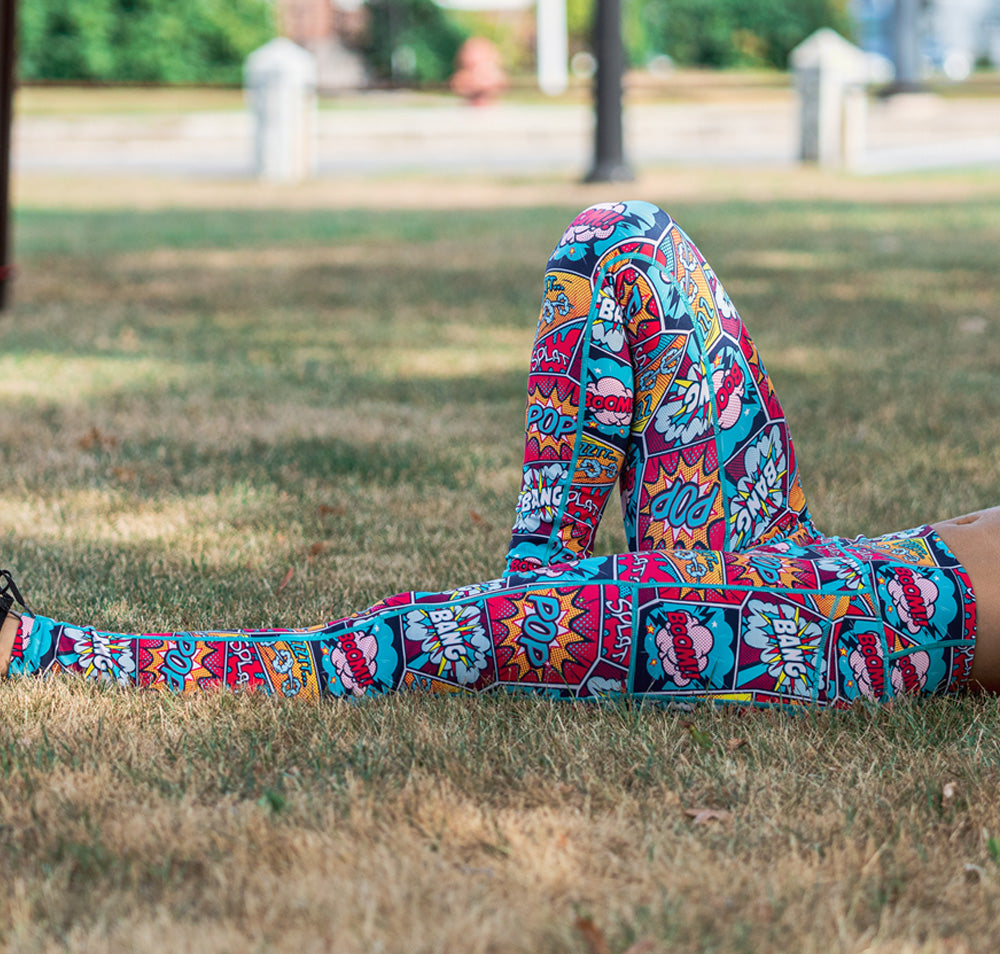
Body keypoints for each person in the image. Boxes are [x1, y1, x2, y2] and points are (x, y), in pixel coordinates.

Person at [1, 200, 997, 707]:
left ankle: (37, 648)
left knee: (396, 649)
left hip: (849, 626)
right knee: (621, 239)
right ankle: (538, 584)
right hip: (825, 550)